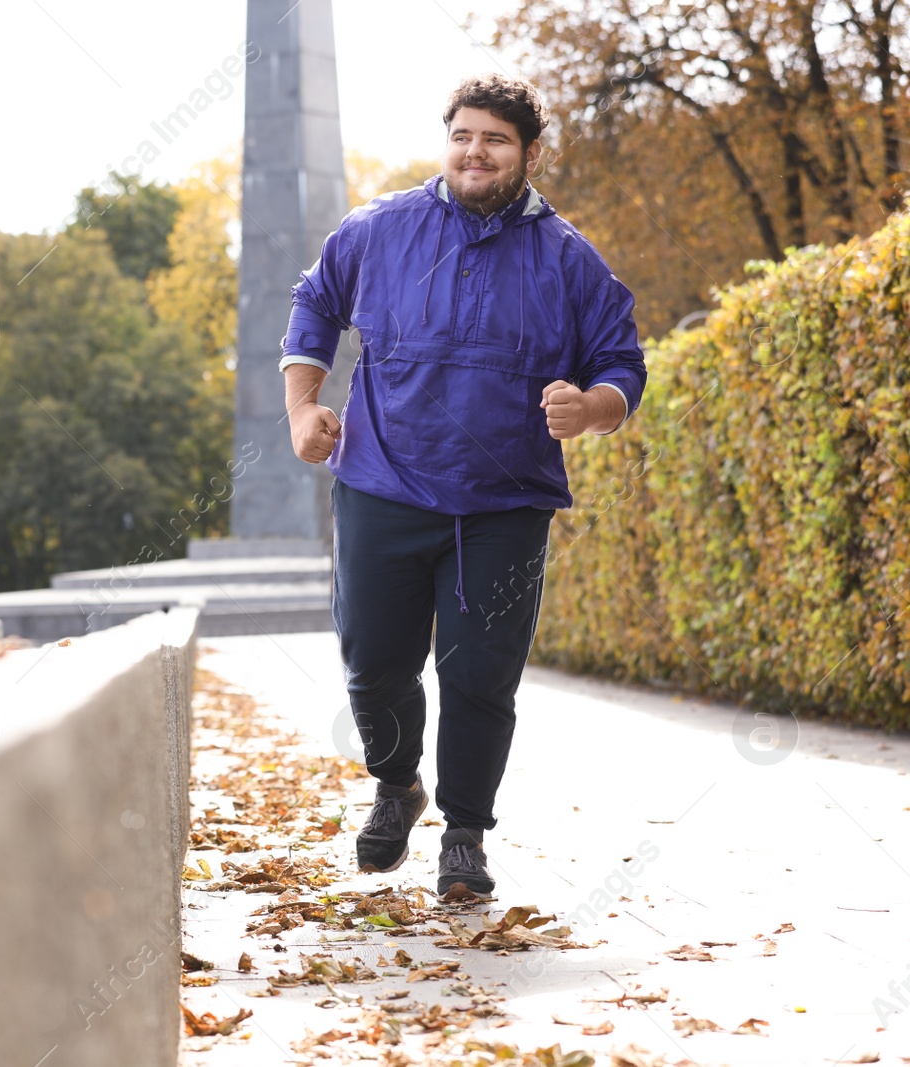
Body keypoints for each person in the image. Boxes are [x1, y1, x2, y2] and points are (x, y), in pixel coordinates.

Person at [280, 73, 647, 899]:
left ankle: (467, 835)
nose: (475, 151)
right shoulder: (379, 229)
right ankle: (397, 784)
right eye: (463, 135)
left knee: (479, 672)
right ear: (446, 141)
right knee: (373, 663)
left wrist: (591, 405)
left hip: (504, 503)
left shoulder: (569, 257)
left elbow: (623, 361)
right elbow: (313, 306)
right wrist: (305, 408)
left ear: (528, 154)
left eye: (496, 139)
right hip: (382, 483)